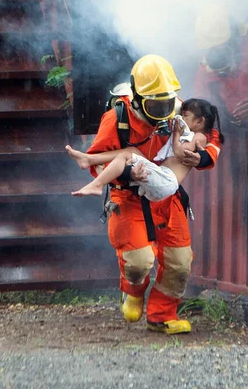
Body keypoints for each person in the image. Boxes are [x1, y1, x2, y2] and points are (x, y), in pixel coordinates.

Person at [77, 54, 222, 335]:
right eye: (156, 104)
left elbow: (211, 135)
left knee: (180, 263)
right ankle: (132, 291)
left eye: (167, 103)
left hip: (168, 199)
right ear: (139, 98)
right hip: (129, 198)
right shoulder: (117, 117)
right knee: (138, 262)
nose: (163, 109)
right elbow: (96, 161)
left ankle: (161, 316)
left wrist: (202, 158)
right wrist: (128, 173)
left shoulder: (179, 109)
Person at [66, 99, 225, 202]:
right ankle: (89, 160)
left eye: (185, 116)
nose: (180, 118)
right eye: (181, 115)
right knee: (130, 153)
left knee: (126, 155)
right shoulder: (120, 113)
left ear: (199, 121)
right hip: (150, 184)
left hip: (166, 182)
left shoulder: (199, 136)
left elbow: (180, 152)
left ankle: (97, 184)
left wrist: (177, 134)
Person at [194, 3, 248, 131]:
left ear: (233, 39)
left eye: (219, 47)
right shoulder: (205, 72)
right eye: (211, 50)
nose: (214, 55)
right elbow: (198, 111)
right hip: (235, 139)